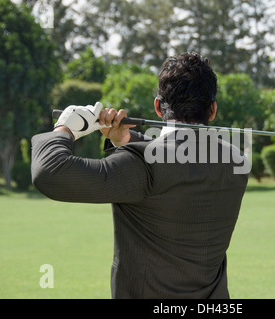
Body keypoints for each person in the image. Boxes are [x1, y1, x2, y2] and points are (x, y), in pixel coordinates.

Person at [31, 52, 248, 298]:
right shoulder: (235, 160)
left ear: (158, 106)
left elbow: (49, 171)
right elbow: (180, 157)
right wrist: (127, 140)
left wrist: (65, 128)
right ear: (212, 110)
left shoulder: (143, 164)